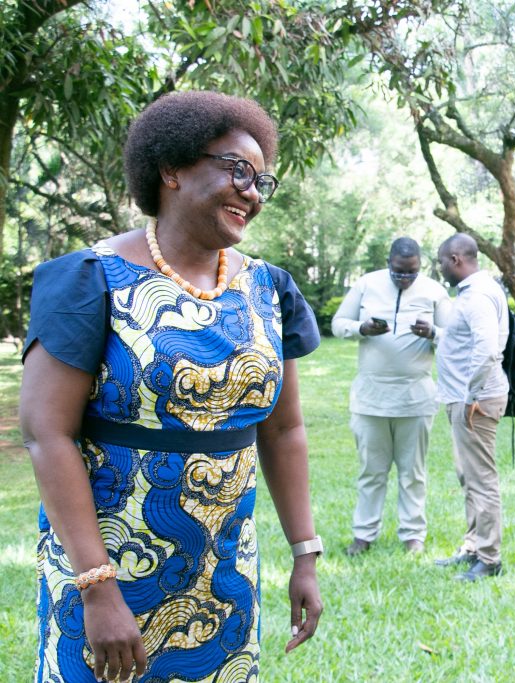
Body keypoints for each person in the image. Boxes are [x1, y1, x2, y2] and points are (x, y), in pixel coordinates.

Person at [20, 91, 324, 682]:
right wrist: (97, 586)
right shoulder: (92, 280)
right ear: (172, 169)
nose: (252, 192)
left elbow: (283, 429)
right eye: (238, 170)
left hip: (224, 569)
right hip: (105, 566)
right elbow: (47, 434)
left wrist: (304, 553)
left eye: (262, 180)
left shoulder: (269, 290)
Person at [331, 236, 451, 556]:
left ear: (420, 267)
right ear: (389, 263)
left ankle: (413, 536)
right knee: (372, 471)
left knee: (413, 473)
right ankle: (363, 535)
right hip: (371, 396)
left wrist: (433, 334)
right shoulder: (366, 284)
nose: (404, 279)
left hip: (416, 397)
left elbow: (455, 337)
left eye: (411, 273)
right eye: (398, 272)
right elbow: (338, 323)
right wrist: (363, 328)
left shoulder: (435, 291)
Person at [432, 233, 509, 582]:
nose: (441, 268)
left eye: (442, 261)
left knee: (481, 479)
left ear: (457, 259)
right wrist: (435, 335)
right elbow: (464, 341)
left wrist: (472, 395)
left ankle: (489, 558)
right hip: (465, 397)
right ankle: (473, 546)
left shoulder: (477, 295)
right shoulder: (475, 292)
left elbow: (487, 349)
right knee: (469, 476)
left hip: (476, 401)